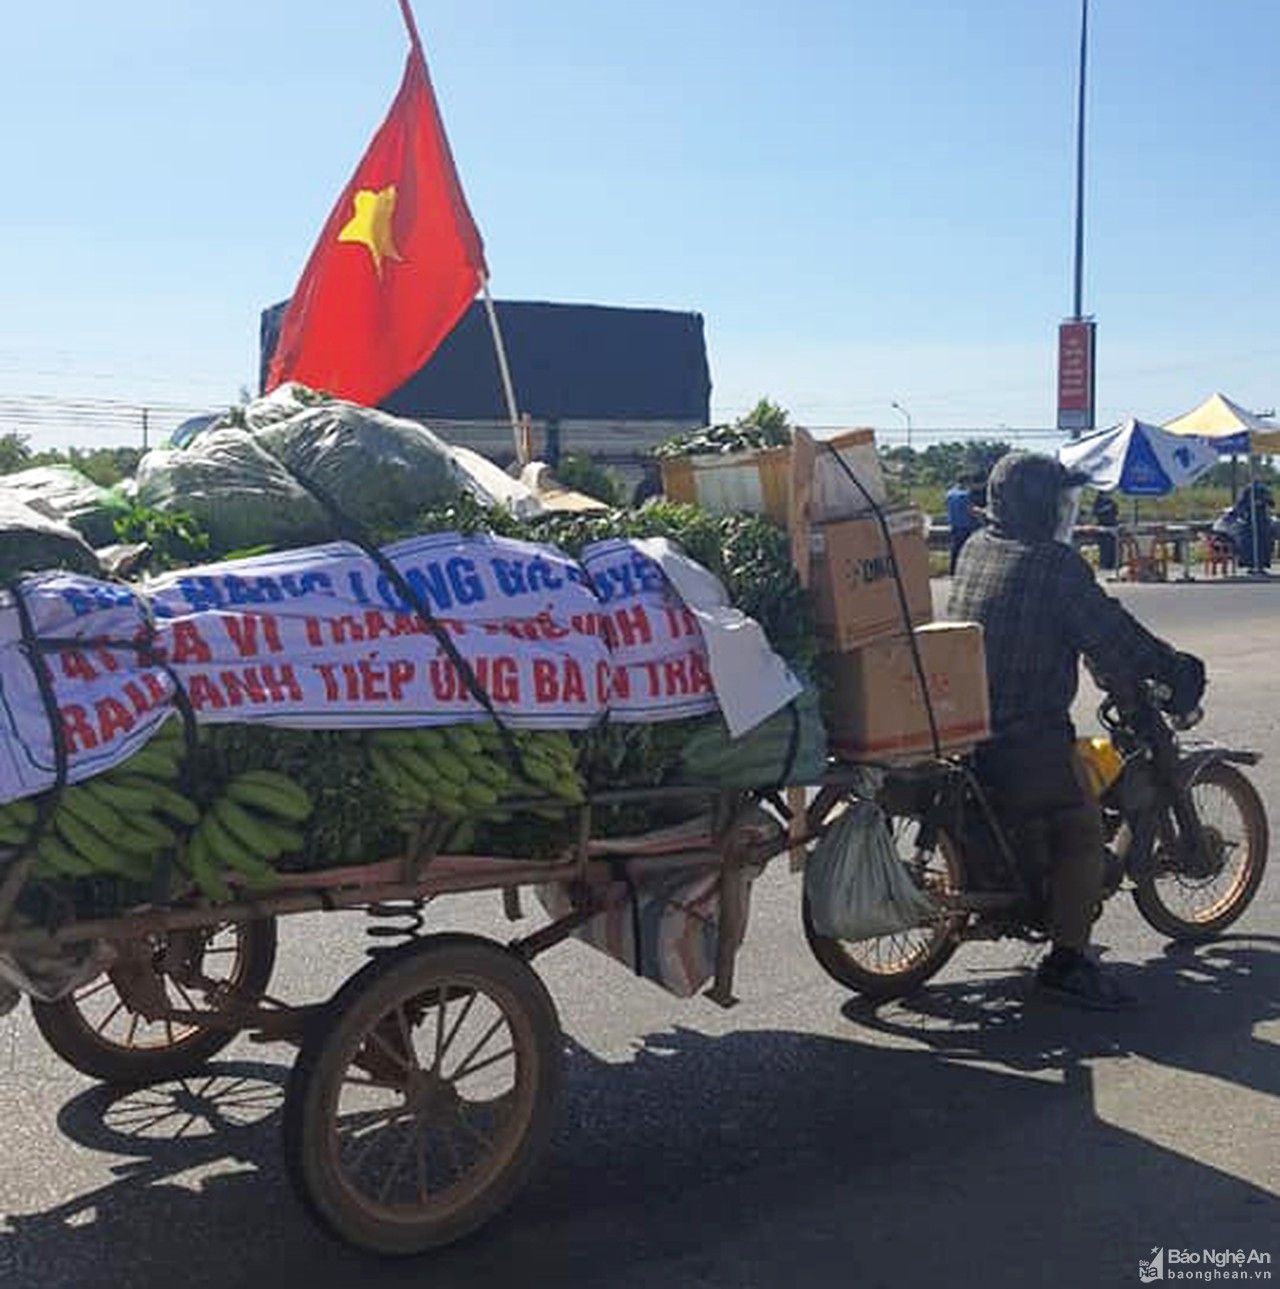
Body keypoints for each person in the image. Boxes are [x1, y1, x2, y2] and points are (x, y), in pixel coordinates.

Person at [949, 452, 1205, 1010]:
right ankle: (1067, 961)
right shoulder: (1053, 565)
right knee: (1081, 828)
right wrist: (1173, 668)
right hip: (1024, 733)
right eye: (1060, 502)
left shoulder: (974, 546)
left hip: (966, 726)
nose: (1065, 513)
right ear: (1040, 505)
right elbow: (1113, 633)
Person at [945, 472, 983, 575]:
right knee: (968, 551)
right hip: (967, 527)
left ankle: (953, 571)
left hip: (954, 525)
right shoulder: (965, 495)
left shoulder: (949, 494)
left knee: (955, 550)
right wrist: (982, 515)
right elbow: (971, 510)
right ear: (966, 482)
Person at [1091, 491, 1120, 572]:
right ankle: (1104, 565)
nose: (1107, 496)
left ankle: (1113, 565)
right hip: (1102, 529)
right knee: (1104, 548)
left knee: (1113, 547)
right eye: (1105, 494)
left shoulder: (1112, 503)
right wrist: (1104, 509)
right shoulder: (1098, 502)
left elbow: (1116, 513)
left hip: (1112, 527)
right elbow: (1095, 512)